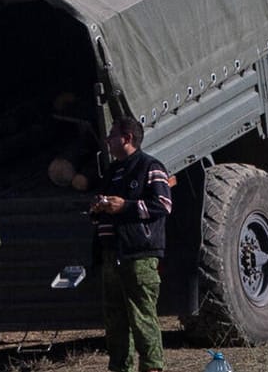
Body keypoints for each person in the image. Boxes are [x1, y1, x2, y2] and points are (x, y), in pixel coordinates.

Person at [90, 118, 170, 372]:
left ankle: (152, 367)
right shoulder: (113, 171)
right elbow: (106, 208)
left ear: (126, 138)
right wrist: (98, 208)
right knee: (115, 322)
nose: (108, 140)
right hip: (110, 256)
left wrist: (124, 206)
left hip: (138, 257)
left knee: (142, 318)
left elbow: (163, 205)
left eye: (112, 135)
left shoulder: (149, 166)